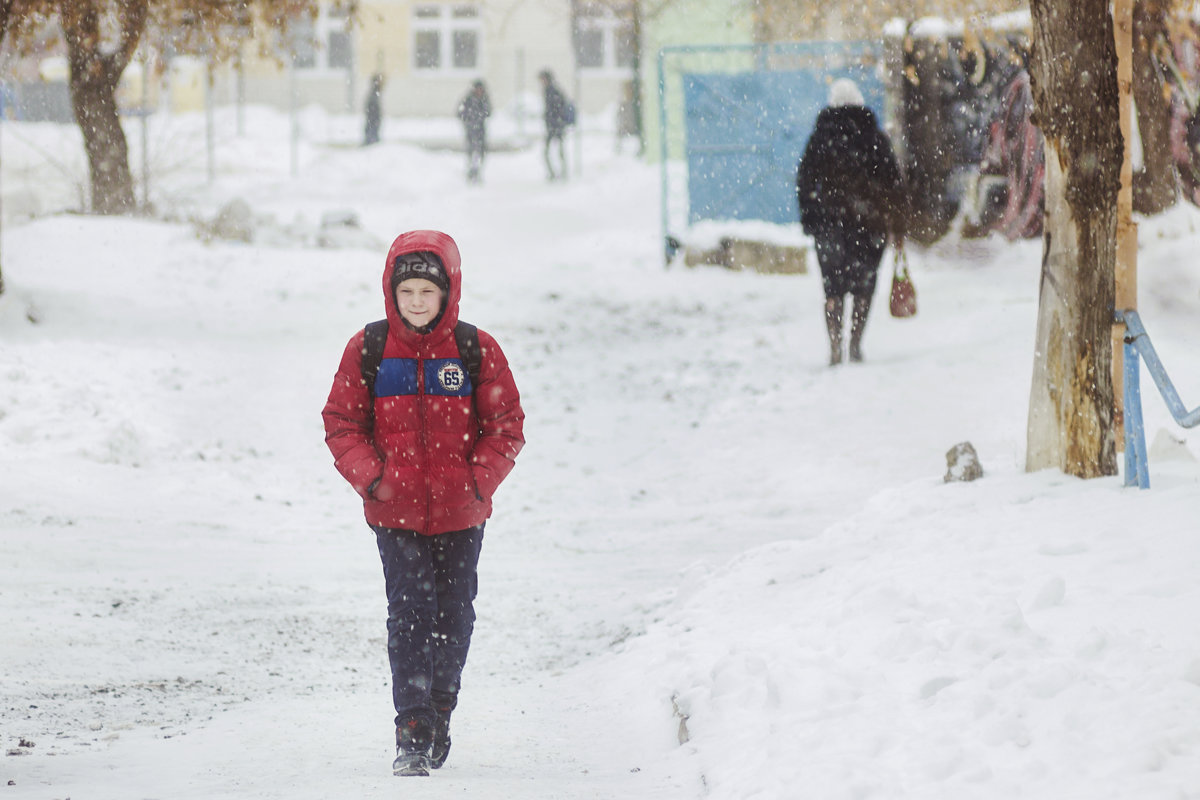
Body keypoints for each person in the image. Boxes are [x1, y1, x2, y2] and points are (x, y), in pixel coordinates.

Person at [322, 230, 525, 777]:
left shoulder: (473, 348)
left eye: (426, 292)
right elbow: (341, 423)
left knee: (454, 615)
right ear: (392, 291)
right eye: (406, 290)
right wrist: (375, 480)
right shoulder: (368, 348)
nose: (416, 302)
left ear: (447, 292)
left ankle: (440, 707)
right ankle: (411, 727)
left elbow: (506, 426)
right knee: (410, 614)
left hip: (462, 513)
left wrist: (477, 483)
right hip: (396, 515)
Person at [796, 78, 906, 365]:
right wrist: (897, 223)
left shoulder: (820, 137)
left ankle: (835, 346)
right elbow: (893, 183)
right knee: (863, 286)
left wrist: (811, 216)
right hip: (869, 225)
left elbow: (805, 179)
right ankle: (855, 345)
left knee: (833, 288)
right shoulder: (874, 137)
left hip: (829, 223)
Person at [457, 80, 492, 183]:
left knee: (481, 151)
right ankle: (471, 170)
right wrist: (470, 119)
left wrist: (480, 117)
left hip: (480, 130)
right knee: (471, 150)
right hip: (471, 129)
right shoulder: (468, 99)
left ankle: (477, 171)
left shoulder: (484, 99)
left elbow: (489, 111)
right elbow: (460, 113)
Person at [539, 69, 571, 180]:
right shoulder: (549, 90)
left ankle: (560, 172)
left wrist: (554, 119)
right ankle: (558, 172)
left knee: (554, 151)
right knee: (555, 151)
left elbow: (557, 108)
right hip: (554, 125)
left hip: (555, 125)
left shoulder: (552, 91)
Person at [363, 73, 385, 146]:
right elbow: (372, 113)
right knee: (372, 146)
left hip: (372, 126)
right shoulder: (374, 95)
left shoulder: (374, 93)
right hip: (372, 127)